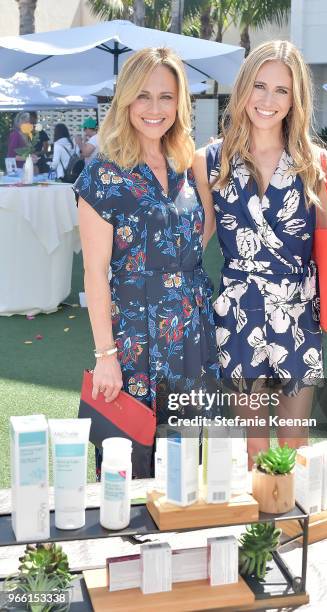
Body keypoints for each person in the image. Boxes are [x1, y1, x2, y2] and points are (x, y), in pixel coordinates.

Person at [193, 40, 327, 462]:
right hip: (237, 315)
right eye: (259, 86)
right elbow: (197, 239)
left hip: (299, 316)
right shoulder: (209, 160)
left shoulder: (318, 164)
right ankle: (259, 528)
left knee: (295, 448)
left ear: (296, 97)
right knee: (252, 450)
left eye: (282, 90)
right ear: (243, 88)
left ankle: (290, 528)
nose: (268, 100)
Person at [75, 47, 219, 479]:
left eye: (166, 97)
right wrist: (106, 355)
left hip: (192, 334)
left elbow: (201, 230)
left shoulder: (184, 163)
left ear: (181, 103)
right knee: (130, 469)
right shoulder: (102, 175)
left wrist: (178, 271)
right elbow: (95, 272)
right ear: (125, 100)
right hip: (135, 340)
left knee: (185, 470)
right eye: (143, 96)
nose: (155, 109)